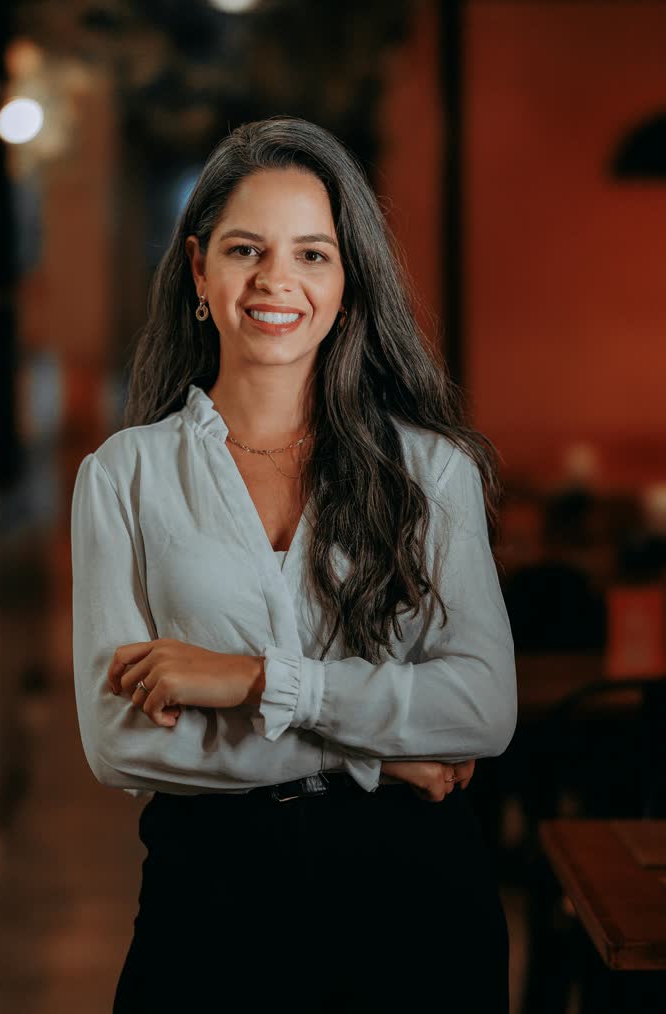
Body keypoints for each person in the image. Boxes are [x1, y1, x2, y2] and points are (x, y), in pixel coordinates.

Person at [71, 116, 517, 1012]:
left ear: (348, 282)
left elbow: (482, 707)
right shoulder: (123, 475)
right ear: (199, 269)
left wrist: (247, 680)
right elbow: (119, 742)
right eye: (246, 249)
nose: (278, 279)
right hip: (209, 906)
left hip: (416, 906)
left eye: (312, 254)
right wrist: (378, 756)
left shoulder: (432, 469)